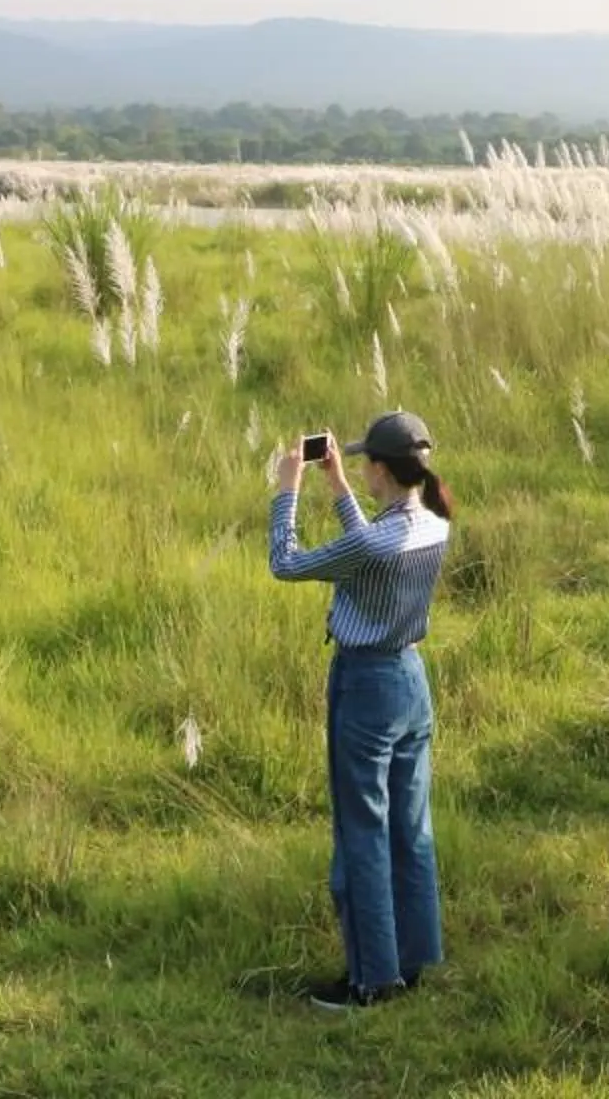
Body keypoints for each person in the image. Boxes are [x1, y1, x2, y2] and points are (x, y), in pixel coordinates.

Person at [270, 409, 456, 1010]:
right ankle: (413, 958)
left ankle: (371, 981)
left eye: (362, 465)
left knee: (363, 833)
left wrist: (287, 491)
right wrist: (340, 489)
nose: (360, 470)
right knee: (411, 826)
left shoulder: (376, 542)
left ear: (382, 467)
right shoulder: (433, 524)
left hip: (366, 685)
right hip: (410, 681)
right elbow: (367, 549)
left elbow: (287, 562)